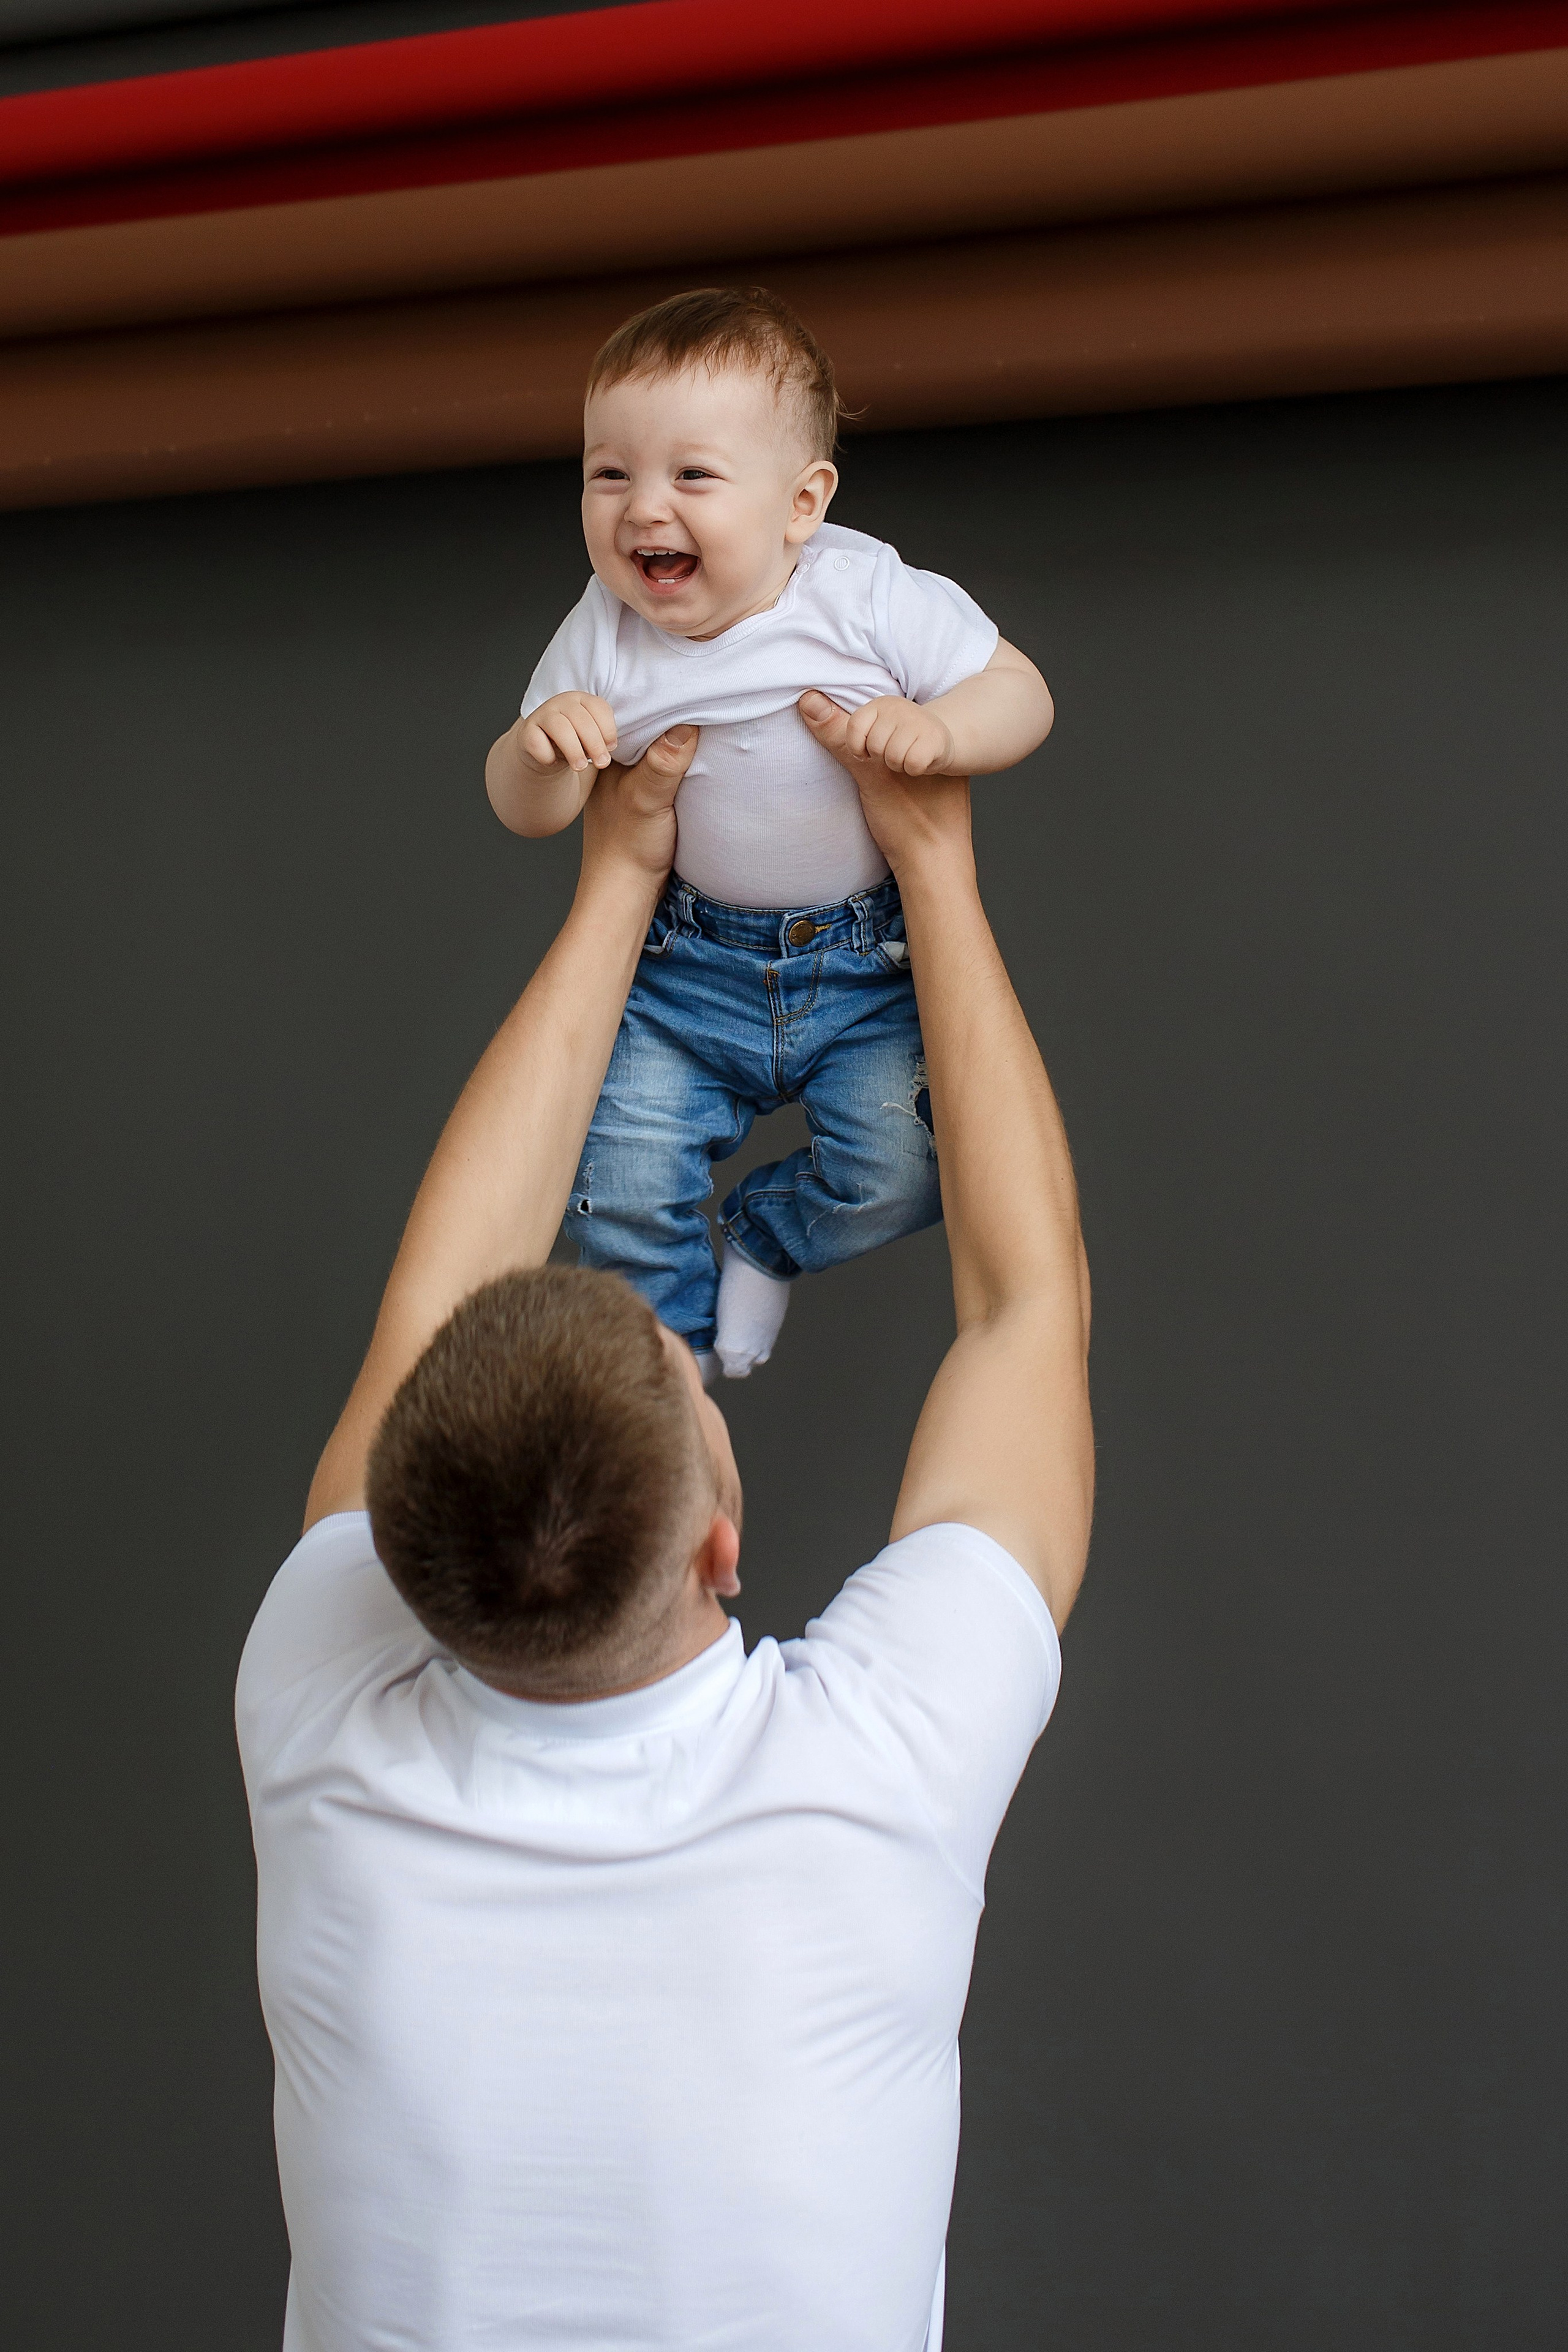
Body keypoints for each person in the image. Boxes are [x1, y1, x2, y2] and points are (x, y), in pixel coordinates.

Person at [236, 710, 1093, 2352]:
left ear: (396, 1563)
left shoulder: (318, 1714)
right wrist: (937, 869)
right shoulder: (883, 1762)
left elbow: (435, 1292)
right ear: (720, 1547)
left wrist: (616, 881)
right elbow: (1026, 1311)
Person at [486, 287, 1054, 1380]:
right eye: (611, 473)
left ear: (803, 503)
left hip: (865, 966)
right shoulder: (603, 632)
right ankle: (667, 1378)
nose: (643, 508)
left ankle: (767, 1237)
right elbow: (526, 813)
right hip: (684, 972)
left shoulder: (863, 593)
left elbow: (1021, 691)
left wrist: (945, 730)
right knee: (617, 1176)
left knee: (914, 1162)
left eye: (692, 475)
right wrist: (540, 754)